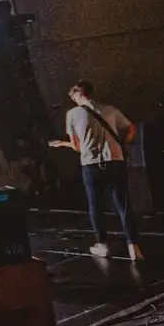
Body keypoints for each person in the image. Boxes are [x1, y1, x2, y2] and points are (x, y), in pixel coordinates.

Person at [51, 80, 143, 261]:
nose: (73, 100)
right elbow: (131, 128)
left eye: (73, 97)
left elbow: (77, 147)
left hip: (91, 164)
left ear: (78, 94)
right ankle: (134, 248)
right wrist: (122, 143)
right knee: (123, 205)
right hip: (115, 161)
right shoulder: (109, 109)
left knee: (96, 206)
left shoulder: (72, 114)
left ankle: (103, 245)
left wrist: (62, 143)